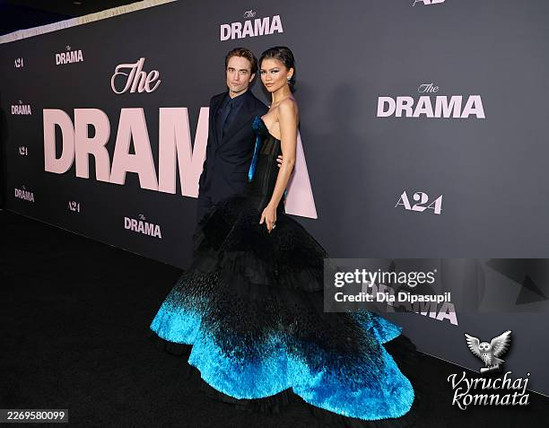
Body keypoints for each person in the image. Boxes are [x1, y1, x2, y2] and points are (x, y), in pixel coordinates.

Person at [150, 46, 415, 422]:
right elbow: (267, 151)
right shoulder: (272, 106)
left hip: (263, 202)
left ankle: (255, 361)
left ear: (290, 73)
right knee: (251, 280)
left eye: (274, 71)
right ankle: (252, 346)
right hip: (250, 195)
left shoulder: (287, 106)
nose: (267, 77)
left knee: (260, 283)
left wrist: (273, 203)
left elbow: (289, 160)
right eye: (264, 72)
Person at [197, 47, 268, 223]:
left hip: (235, 195)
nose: (235, 78)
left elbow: (263, 154)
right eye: (231, 70)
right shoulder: (215, 101)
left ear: (251, 77)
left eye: (242, 72)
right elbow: (213, 144)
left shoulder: (260, 111)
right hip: (207, 189)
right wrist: (204, 179)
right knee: (200, 238)